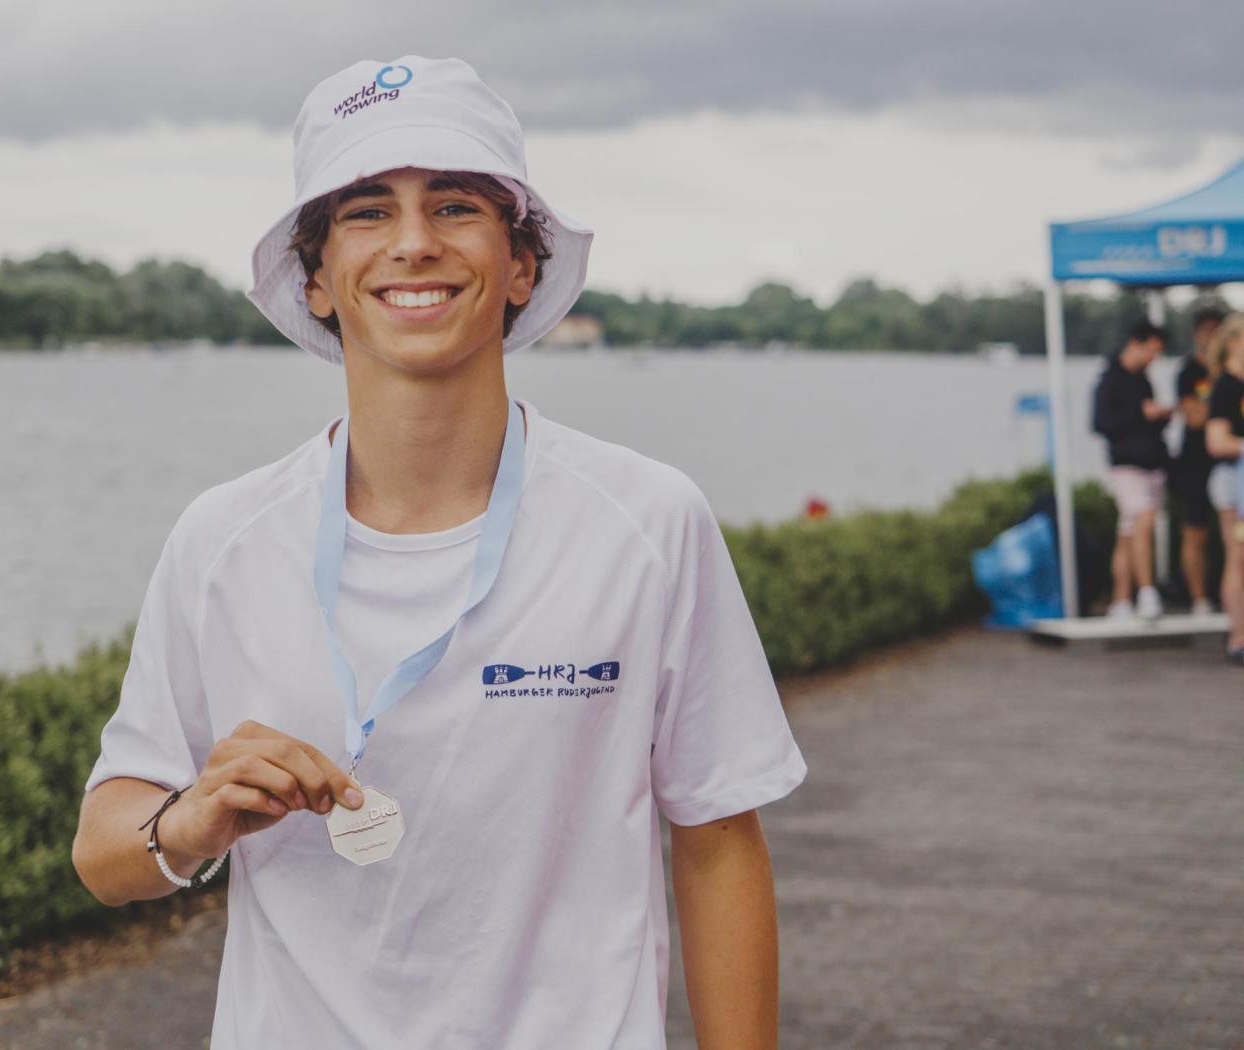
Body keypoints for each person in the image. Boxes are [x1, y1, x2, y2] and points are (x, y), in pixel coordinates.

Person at [70, 56, 808, 1048]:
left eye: (455, 205)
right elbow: (105, 853)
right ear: (315, 278)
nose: (413, 243)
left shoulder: (646, 523)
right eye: (367, 211)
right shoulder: (223, 539)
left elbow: (717, 845)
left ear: (521, 264)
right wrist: (191, 819)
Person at [1091, 319, 1173, 621]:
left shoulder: (1143, 381)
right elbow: (1100, 423)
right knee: (1144, 521)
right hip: (1126, 466)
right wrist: (1141, 414)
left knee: (1129, 535)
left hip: (1151, 464)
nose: (1154, 357)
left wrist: (1161, 417)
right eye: (1151, 350)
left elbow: (1148, 423)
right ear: (1135, 344)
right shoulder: (1109, 380)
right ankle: (1148, 593)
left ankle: (1120, 600)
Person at [1171, 305, 1225, 614]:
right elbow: (1194, 419)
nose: (1212, 337)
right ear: (1197, 334)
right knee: (1196, 530)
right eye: (1208, 331)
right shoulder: (1188, 372)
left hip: (1229, 461)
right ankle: (1198, 598)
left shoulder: (1232, 372)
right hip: (1196, 462)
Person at [1204, 312, 1244, 664]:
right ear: (1233, 342)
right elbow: (1216, 442)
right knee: (1238, 557)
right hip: (1234, 483)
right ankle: (1238, 637)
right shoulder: (1225, 387)